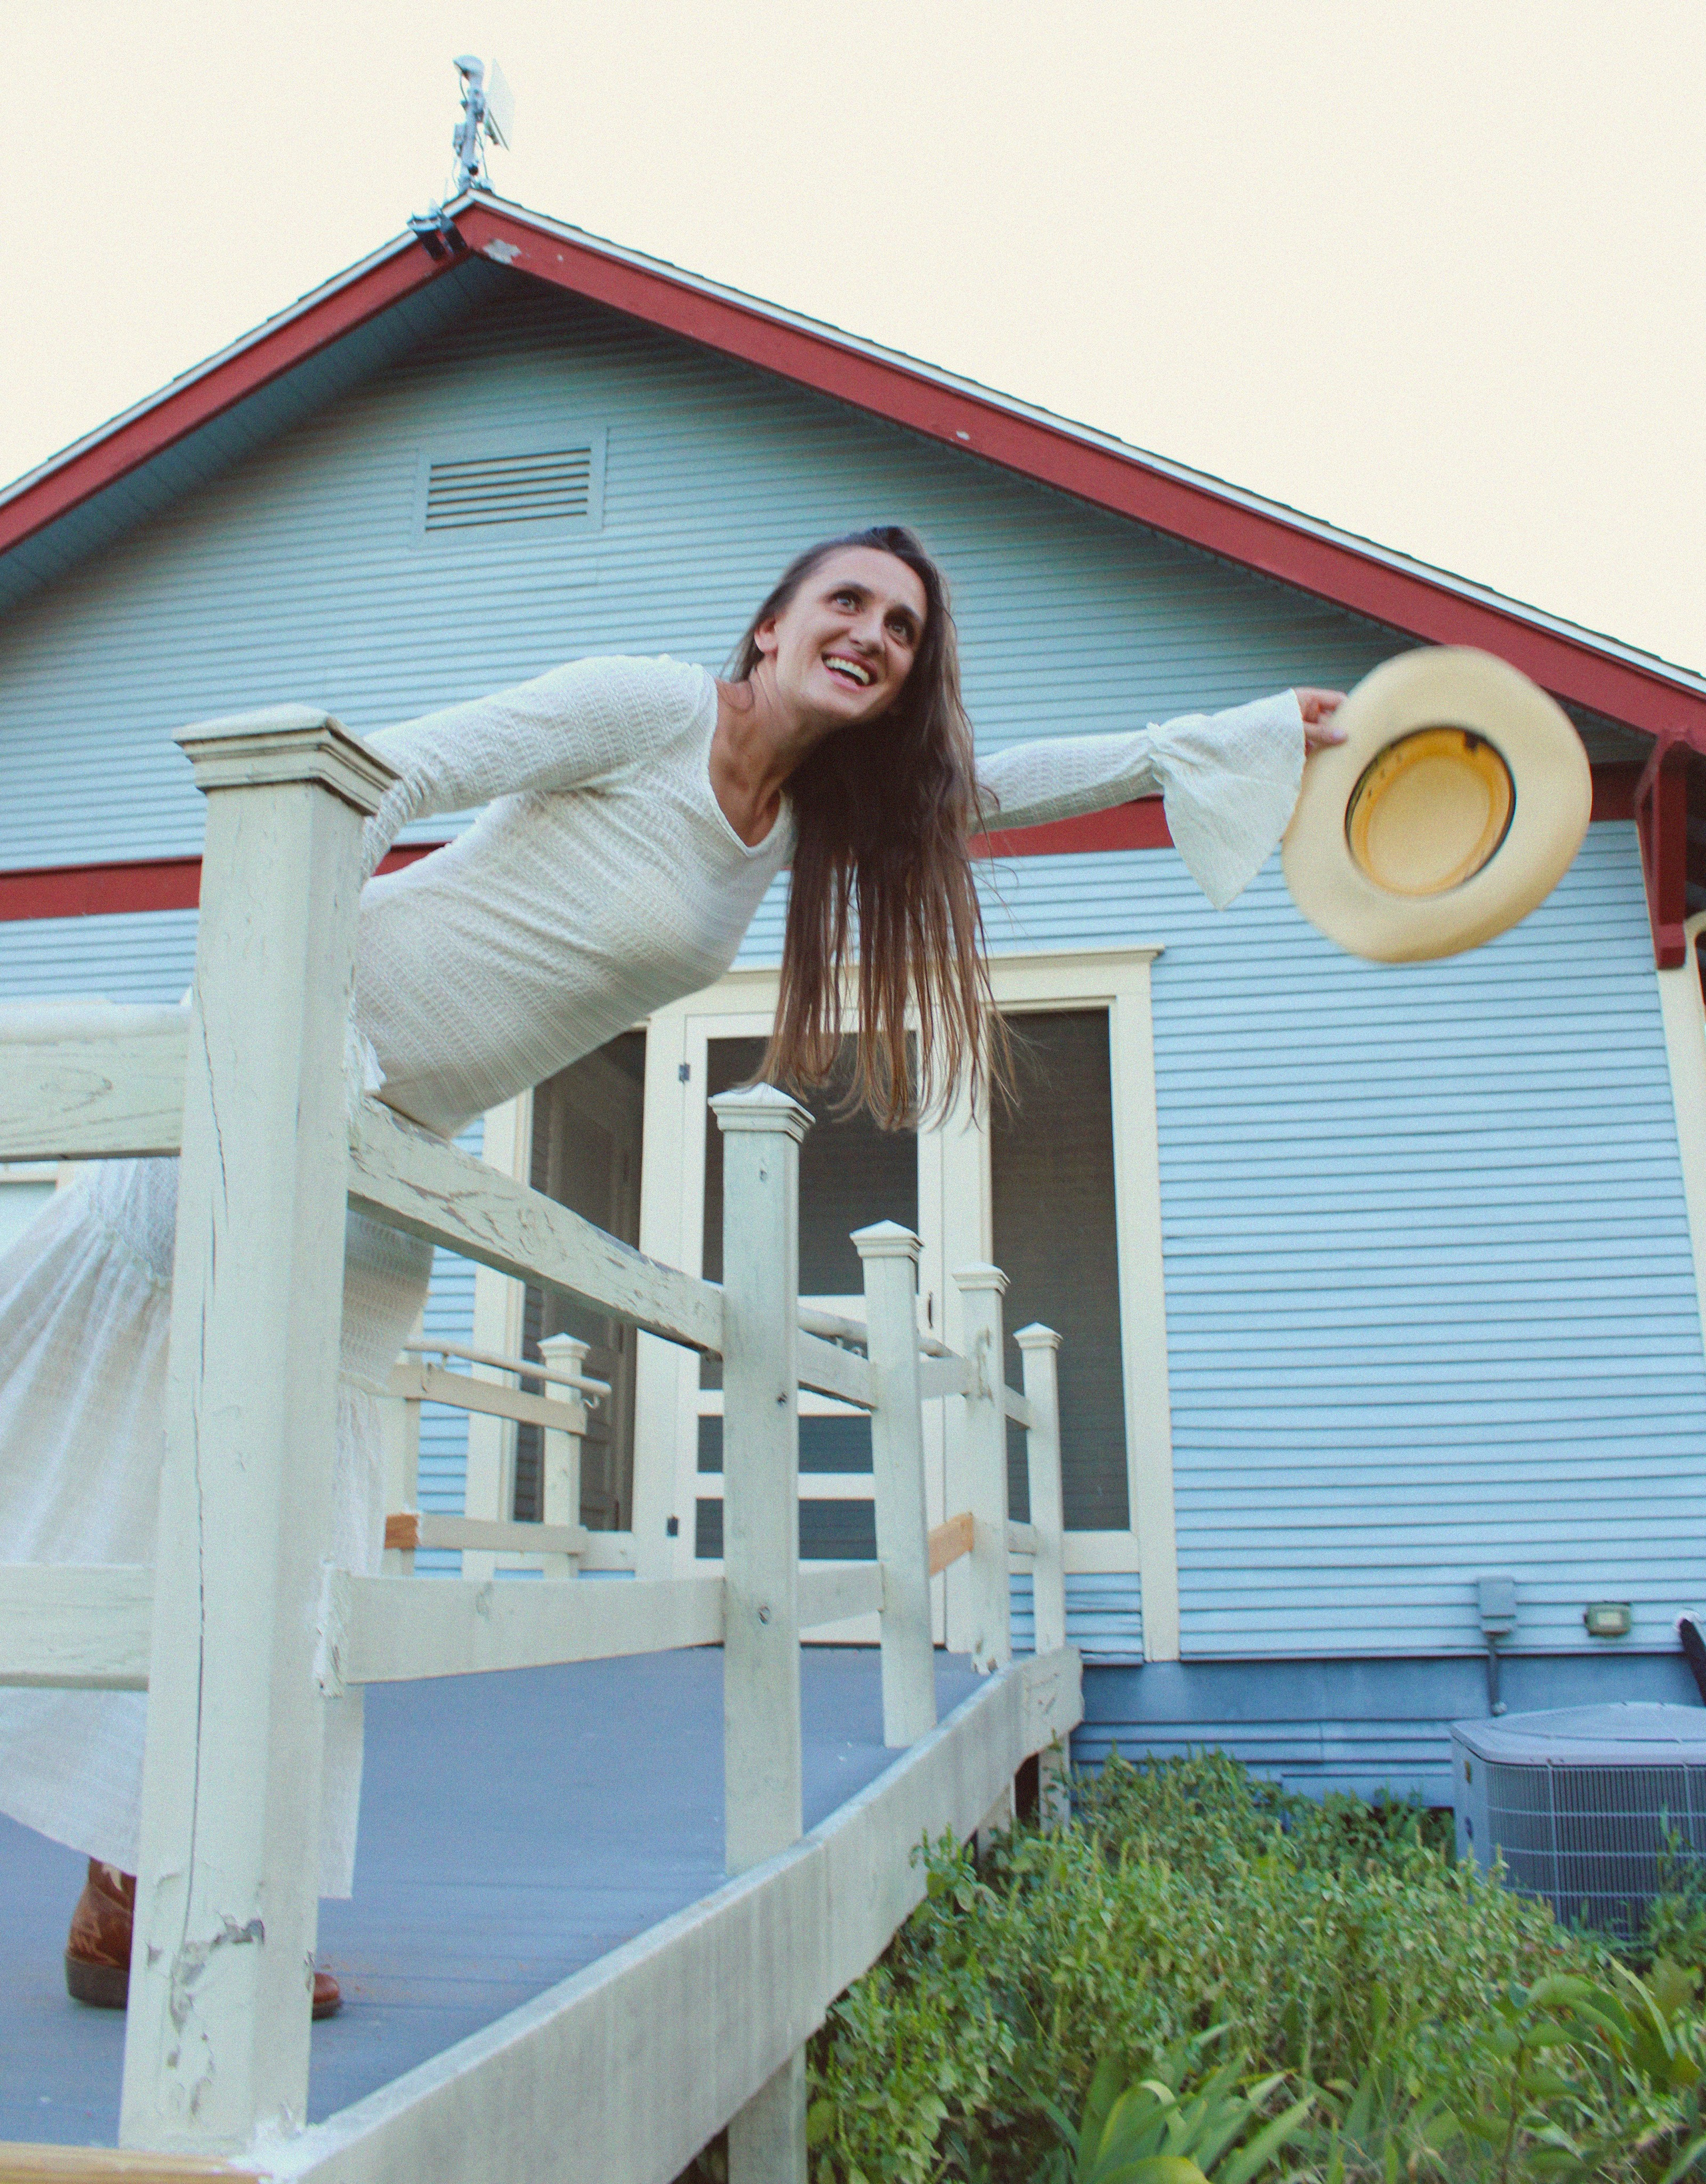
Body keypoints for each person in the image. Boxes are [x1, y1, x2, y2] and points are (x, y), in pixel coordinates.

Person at [0, 525, 1345, 2014]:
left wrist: (1224, 739)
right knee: (130, 1473)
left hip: (391, 1157)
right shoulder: (646, 707)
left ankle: (143, 1901)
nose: (874, 637)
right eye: (846, 604)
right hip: (288, 1070)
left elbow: (1004, 788)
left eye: (901, 632)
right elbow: (397, 774)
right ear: (767, 630)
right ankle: (173, 1902)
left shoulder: (808, 825)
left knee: (301, 1543)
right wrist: (272, 998)